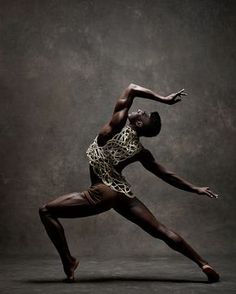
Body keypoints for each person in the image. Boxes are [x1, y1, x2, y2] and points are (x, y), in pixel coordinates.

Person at [39, 83, 220, 283]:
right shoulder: (141, 152)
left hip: (102, 192)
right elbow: (167, 175)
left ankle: (68, 261)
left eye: (144, 115)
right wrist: (195, 189)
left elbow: (132, 88)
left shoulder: (115, 126)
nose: (141, 110)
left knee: (46, 211)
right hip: (121, 194)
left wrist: (164, 99)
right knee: (160, 230)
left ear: (139, 124)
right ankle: (203, 263)